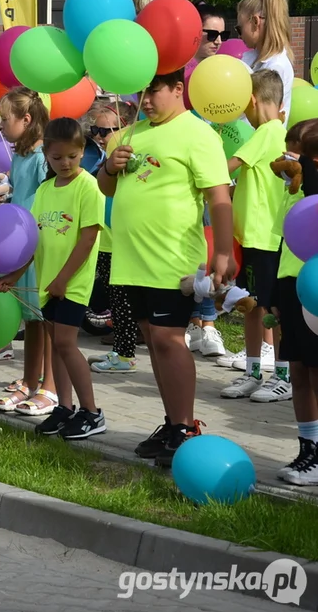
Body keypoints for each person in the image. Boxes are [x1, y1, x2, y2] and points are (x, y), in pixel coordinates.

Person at [98, 68, 234, 468]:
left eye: (154, 90)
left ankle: (187, 426)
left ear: (178, 89)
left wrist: (222, 253)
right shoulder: (130, 134)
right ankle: (172, 422)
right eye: (141, 91)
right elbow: (106, 189)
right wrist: (110, 167)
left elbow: (219, 196)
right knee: (153, 342)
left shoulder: (198, 134)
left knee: (169, 341)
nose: (147, 99)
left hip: (172, 261)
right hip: (130, 259)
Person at [0, 118, 106, 438]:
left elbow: (87, 239)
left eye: (72, 156)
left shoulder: (89, 186)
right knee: (56, 347)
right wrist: (14, 275)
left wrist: (63, 279)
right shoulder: (45, 190)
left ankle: (92, 412)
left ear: (82, 151)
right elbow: (35, 240)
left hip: (72, 283)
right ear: (46, 154)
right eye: (57, 158)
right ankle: (64, 407)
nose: (65, 163)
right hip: (47, 285)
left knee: (65, 344)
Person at [0, 88, 57, 417]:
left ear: (26, 120)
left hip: (40, 244)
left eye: (5, 119)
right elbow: (20, 192)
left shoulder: (45, 156)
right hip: (21, 241)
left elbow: (46, 200)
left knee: (48, 321)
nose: (1, 125)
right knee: (31, 319)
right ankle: (31, 381)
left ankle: (51, 388)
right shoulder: (20, 154)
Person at [221, 69, 288, 400]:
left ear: (250, 100)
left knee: (273, 308)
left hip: (265, 237)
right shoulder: (274, 133)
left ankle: (283, 375)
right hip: (254, 237)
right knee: (253, 306)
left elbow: (229, 165)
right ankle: (254, 372)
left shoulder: (268, 131)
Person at [270, 119, 318, 485]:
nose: (292, 159)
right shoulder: (292, 188)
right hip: (291, 283)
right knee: (299, 370)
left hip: (315, 286)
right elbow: (281, 240)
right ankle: (309, 448)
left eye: (301, 153)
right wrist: (273, 294)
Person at [81, 100, 143, 374]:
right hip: (105, 237)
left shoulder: (130, 158)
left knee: (122, 297)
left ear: (125, 129)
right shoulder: (101, 156)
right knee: (114, 295)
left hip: (121, 236)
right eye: (95, 129)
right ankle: (121, 349)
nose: (99, 136)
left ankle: (125, 353)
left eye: (107, 131)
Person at [183, 0, 229, 358]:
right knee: (194, 246)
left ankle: (207, 323)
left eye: (222, 35)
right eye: (211, 34)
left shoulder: (227, 76)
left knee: (211, 244)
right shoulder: (184, 77)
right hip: (187, 172)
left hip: (217, 171)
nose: (217, 41)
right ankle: (199, 322)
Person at [238, 0, 294, 124]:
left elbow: (258, 117)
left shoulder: (275, 66)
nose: (239, 35)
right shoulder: (253, 58)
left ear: (255, 22)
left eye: (239, 28)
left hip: (261, 142)